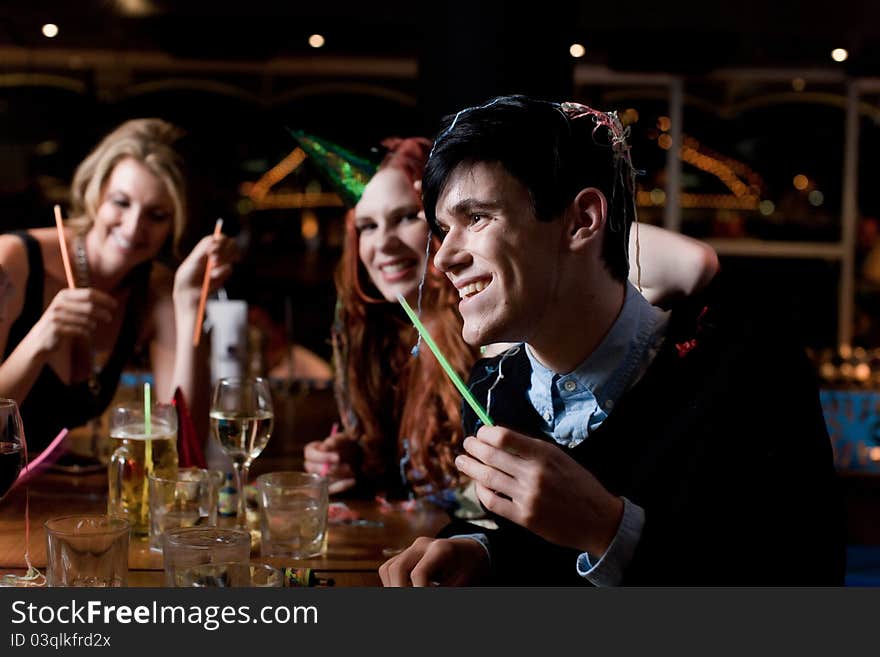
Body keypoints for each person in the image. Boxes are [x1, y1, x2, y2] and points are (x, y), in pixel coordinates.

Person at [378, 95, 844, 586]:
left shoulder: (748, 371)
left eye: (476, 218)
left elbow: (807, 583)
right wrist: (479, 551)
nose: (443, 259)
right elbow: (540, 558)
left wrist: (609, 530)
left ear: (581, 220)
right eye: (442, 230)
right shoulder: (494, 389)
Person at [304, 135, 719, 502]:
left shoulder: (502, 327)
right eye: (368, 226)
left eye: (408, 217)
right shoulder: (385, 338)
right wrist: (354, 459)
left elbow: (693, 263)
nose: (384, 244)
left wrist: (566, 224)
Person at [0, 118, 236, 452]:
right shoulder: (11, 261)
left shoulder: (156, 290)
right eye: (121, 202)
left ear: (175, 223)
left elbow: (185, 449)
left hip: (45, 497)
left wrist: (189, 304)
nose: (134, 226)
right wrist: (39, 340)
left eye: (156, 215)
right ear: (95, 194)